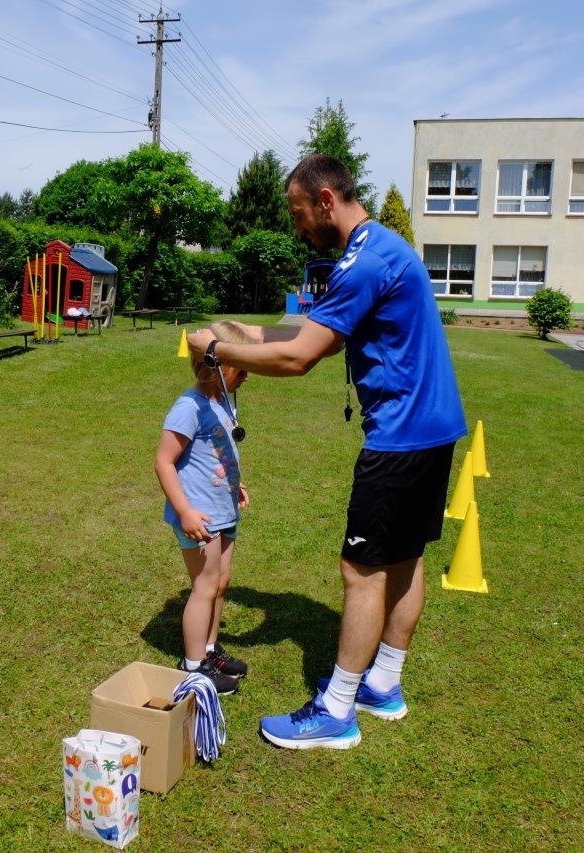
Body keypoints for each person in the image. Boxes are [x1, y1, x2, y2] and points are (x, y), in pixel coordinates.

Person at [187, 154, 467, 750]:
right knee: (405, 558)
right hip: (433, 429)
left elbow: (300, 358)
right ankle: (383, 683)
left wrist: (216, 352)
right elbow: (310, 334)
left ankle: (337, 710)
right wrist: (242, 333)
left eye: (298, 214)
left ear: (324, 201)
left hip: (400, 436)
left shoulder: (363, 263)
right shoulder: (379, 248)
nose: (297, 228)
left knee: (360, 571)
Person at [154, 320, 256, 696]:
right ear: (217, 368)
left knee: (221, 583)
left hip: (222, 508)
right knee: (205, 586)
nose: (247, 375)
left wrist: (234, 483)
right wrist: (184, 511)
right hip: (199, 515)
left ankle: (210, 651)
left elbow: (216, 451)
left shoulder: (221, 401)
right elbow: (164, 462)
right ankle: (195, 665)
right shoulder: (188, 407)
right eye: (240, 368)